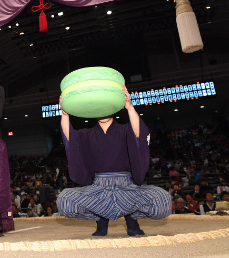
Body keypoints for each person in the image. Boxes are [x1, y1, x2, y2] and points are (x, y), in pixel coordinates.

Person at [57, 85, 172, 237]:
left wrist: (130, 107)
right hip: (98, 188)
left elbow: (139, 134)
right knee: (64, 200)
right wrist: (65, 114)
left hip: (127, 187)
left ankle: (131, 220)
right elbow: (69, 139)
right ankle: (101, 219)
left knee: (162, 200)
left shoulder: (125, 129)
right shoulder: (85, 134)